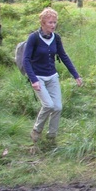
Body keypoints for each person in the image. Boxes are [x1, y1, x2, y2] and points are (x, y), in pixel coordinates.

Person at [23, 7, 83, 143]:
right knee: (48, 105)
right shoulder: (33, 38)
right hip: (38, 77)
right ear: (43, 23)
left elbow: (63, 56)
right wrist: (33, 79)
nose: (53, 25)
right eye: (50, 22)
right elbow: (26, 60)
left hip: (52, 76)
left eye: (55, 22)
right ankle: (36, 130)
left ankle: (51, 137)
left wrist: (76, 75)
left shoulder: (56, 38)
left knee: (58, 107)